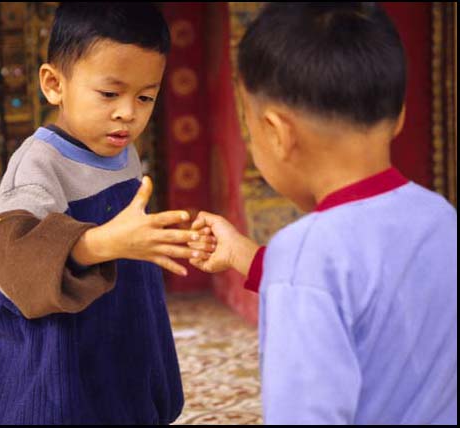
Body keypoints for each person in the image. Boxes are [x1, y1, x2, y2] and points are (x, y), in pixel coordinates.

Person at [188, 3, 457, 424]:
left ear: (277, 133)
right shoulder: (440, 217)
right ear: (399, 114)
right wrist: (242, 253)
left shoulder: (305, 254)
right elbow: (371, 292)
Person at [0, 3, 213, 424]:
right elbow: (12, 262)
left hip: (115, 337)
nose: (128, 112)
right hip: (56, 365)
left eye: (146, 97)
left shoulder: (122, 151)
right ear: (54, 84)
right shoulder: (37, 166)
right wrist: (101, 243)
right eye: (109, 94)